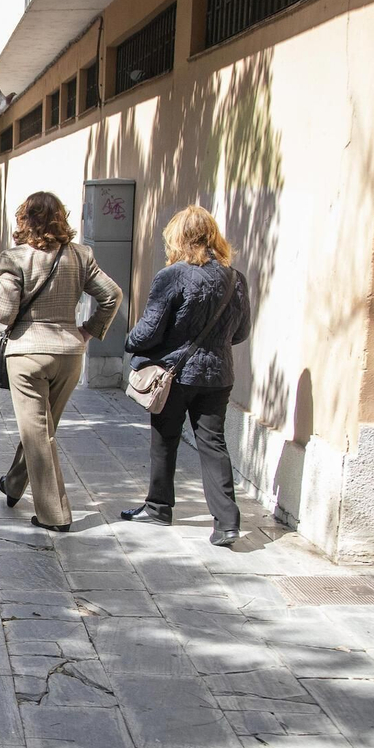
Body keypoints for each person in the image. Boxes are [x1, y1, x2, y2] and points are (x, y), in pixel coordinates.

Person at [120, 205, 251, 547]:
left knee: (165, 439)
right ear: (213, 237)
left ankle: (159, 507)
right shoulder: (235, 278)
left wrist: (130, 342)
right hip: (218, 374)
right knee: (213, 443)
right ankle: (227, 523)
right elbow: (240, 333)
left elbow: (149, 330)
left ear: (178, 238)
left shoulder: (173, 275)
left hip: (175, 373)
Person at [0, 191, 122, 532]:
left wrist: (5, 308)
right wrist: (88, 331)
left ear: (25, 219)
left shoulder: (15, 258)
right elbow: (112, 294)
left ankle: (55, 515)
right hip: (69, 353)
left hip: (27, 354)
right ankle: (14, 483)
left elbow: (4, 313)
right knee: (42, 429)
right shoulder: (81, 255)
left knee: (38, 434)